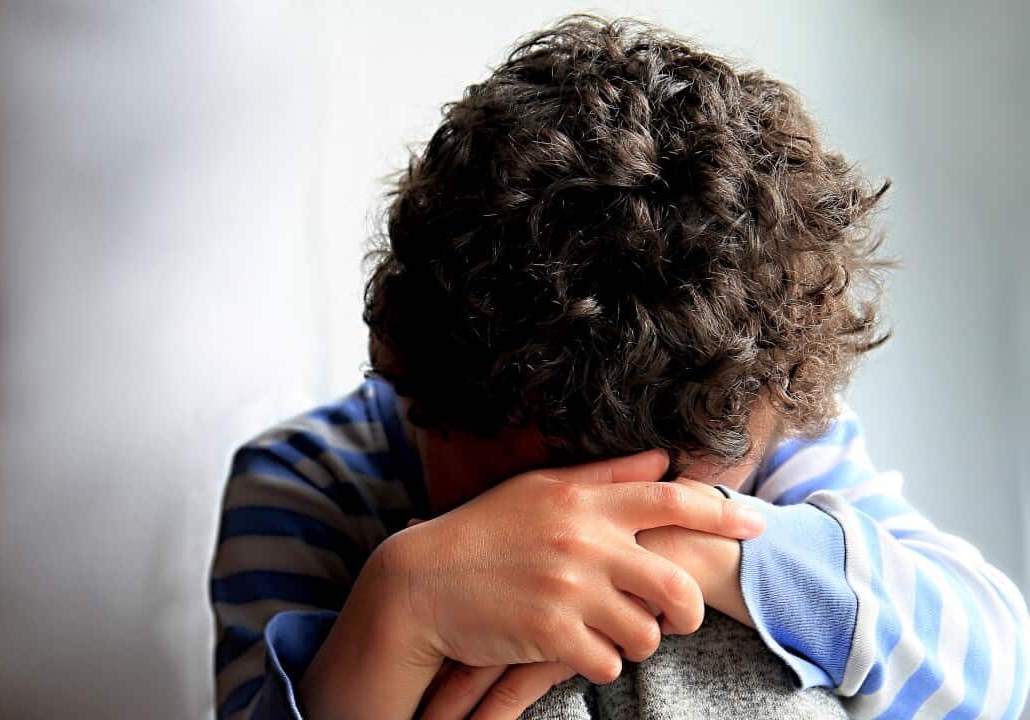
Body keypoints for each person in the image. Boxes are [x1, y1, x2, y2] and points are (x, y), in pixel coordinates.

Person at [209, 16, 1030, 720]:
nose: (582, 541)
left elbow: (995, 670)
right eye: (522, 503)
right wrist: (399, 606)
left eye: (669, 499)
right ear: (401, 366)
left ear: (779, 414)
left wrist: (704, 548)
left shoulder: (768, 435)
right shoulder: (307, 480)